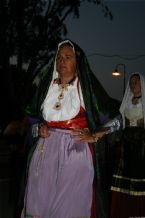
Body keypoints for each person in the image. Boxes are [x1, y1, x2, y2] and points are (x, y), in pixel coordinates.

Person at [21, 39, 119, 218]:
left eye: (68, 57)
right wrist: (39, 128)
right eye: (59, 57)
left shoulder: (86, 90)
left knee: (68, 206)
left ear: (78, 62)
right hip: (44, 154)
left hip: (75, 153)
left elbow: (116, 120)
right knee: (38, 204)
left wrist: (95, 135)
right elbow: (31, 116)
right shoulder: (46, 87)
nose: (62, 61)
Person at [110, 72, 145, 218]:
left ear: (142, 83)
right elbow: (118, 121)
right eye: (131, 82)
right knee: (125, 175)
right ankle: (126, 211)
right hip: (126, 144)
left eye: (136, 81)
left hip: (141, 144)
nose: (133, 84)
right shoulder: (127, 102)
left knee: (139, 173)